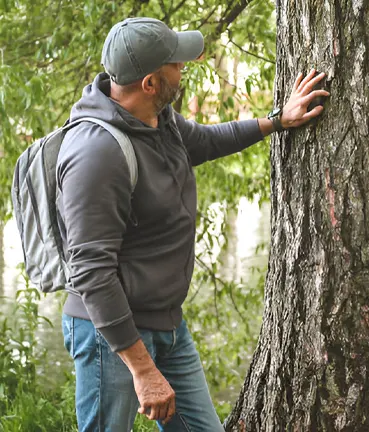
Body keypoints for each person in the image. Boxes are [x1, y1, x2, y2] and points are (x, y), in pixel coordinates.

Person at [57, 16, 329, 432]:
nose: (184, 68)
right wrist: (143, 370)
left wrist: (277, 120)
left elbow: (203, 141)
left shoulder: (157, 120)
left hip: (165, 321)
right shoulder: (96, 154)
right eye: (176, 64)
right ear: (149, 83)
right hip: (111, 334)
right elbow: (91, 271)